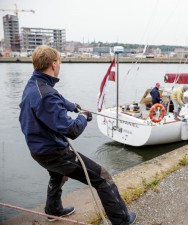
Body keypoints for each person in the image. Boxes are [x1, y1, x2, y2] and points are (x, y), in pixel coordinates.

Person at [19, 45, 136, 225]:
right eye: (59, 61)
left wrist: (73, 106)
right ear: (53, 64)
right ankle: (122, 220)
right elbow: (71, 130)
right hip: (54, 152)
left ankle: (53, 210)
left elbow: (56, 98)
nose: (60, 65)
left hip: (38, 150)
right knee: (102, 177)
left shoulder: (34, 85)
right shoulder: (47, 95)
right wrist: (83, 117)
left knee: (57, 175)